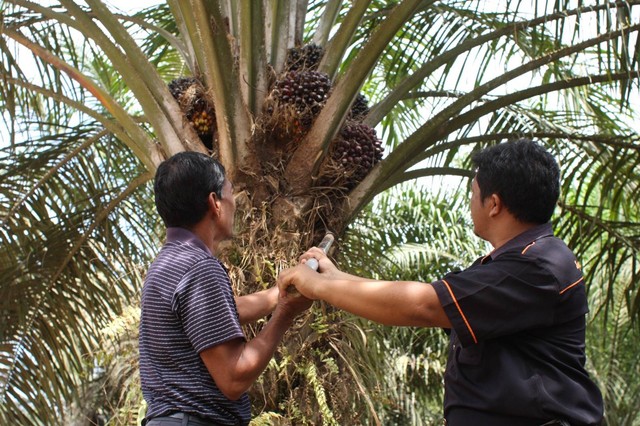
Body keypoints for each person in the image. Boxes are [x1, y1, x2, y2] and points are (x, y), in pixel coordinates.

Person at [278, 139, 604, 425]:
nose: (470, 203)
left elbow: (424, 304)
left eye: (474, 194)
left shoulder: (538, 266)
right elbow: (431, 300)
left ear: (494, 204)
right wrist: (332, 275)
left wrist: (318, 286)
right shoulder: (516, 264)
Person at [139, 152, 312, 426]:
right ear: (214, 203)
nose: (235, 203)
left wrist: (282, 290)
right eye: (230, 193)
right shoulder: (199, 267)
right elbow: (234, 378)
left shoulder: (166, 264)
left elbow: (217, 315)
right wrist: (286, 314)